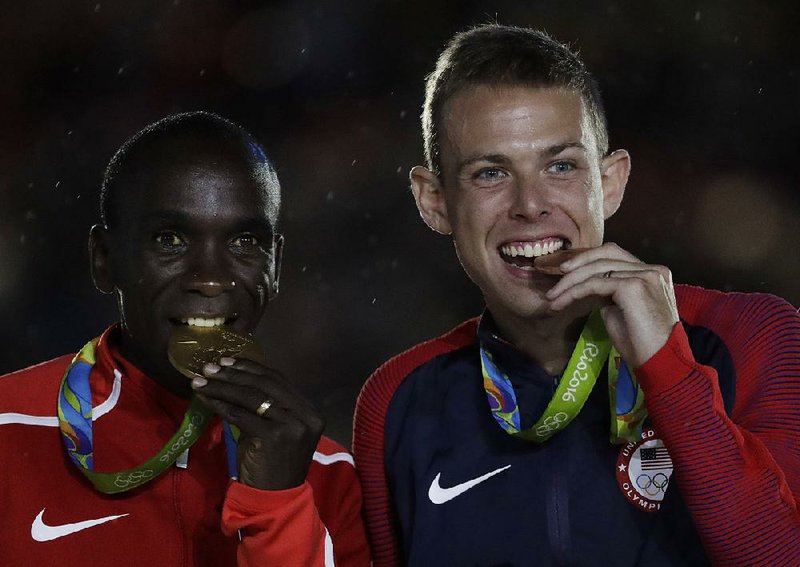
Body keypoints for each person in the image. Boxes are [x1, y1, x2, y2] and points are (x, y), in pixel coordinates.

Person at [353, 24, 800, 566]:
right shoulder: (399, 400)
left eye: (560, 166)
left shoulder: (749, 335)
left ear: (609, 183)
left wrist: (669, 369)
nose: (530, 204)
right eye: (490, 173)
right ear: (435, 202)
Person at [0, 112, 369, 566]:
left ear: (275, 266)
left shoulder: (329, 476)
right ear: (104, 259)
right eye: (170, 240)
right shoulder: (7, 431)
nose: (211, 280)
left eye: (245, 243)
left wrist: (279, 506)